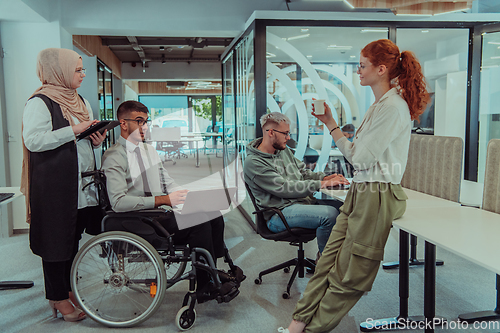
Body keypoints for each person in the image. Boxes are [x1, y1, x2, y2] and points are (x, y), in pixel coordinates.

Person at [280, 39, 429, 333]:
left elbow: (359, 158)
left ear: (381, 68)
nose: (357, 72)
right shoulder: (380, 105)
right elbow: (357, 157)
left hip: (377, 194)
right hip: (362, 191)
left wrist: (338, 132)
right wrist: (331, 123)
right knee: (326, 263)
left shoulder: (393, 108)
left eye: (362, 66)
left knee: (351, 275)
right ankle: (296, 326)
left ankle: (309, 331)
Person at [101, 100, 243, 302]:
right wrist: (163, 200)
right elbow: (118, 202)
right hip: (139, 220)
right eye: (139, 121)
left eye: (146, 122)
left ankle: (212, 270)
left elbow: (166, 181)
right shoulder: (114, 156)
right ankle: (205, 285)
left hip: (159, 214)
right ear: (123, 123)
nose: (145, 127)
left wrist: (185, 196)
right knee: (200, 221)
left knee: (213, 212)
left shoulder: (148, 151)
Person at [21, 48, 107, 322]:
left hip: (81, 183)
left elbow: (79, 137)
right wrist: (75, 130)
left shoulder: (78, 100)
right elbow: (33, 141)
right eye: (77, 70)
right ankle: (57, 297)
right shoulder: (40, 102)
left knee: (72, 239)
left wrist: (95, 139)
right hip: (55, 186)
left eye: (82, 70)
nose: (83, 75)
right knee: (56, 243)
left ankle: (67, 289)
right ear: (58, 71)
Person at [243, 112, 349, 257]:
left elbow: (302, 173)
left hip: (300, 204)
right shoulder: (254, 162)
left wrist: (324, 177)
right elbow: (285, 188)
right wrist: (321, 184)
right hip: (278, 214)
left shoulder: (282, 150)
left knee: (344, 208)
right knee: (329, 215)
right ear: (271, 132)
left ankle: (331, 258)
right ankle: (326, 265)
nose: (288, 138)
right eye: (285, 133)